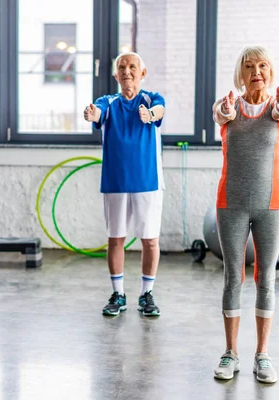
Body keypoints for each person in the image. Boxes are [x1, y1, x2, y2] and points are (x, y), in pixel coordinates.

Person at [211, 45, 279, 384]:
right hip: (230, 203)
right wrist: (225, 108)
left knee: (267, 278)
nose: (256, 71)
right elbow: (220, 115)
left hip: (271, 204)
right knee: (233, 277)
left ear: (270, 72)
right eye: (249, 66)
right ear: (240, 74)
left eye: (262, 65)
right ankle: (230, 353)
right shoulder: (228, 107)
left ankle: (262, 355)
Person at [83, 52, 166, 317]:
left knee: (150, 240)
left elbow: (160, 110)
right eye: (122, 67)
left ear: (142, 73)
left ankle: (146, 294)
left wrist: (150, 115)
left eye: (132, 67)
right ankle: (118, 293)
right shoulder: (108, 101)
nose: (127, 71)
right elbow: (98, 113)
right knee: (115, 239)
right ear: (115, 75)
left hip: (148, 181)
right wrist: (91, 113)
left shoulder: (151, 99)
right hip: (115, 181)